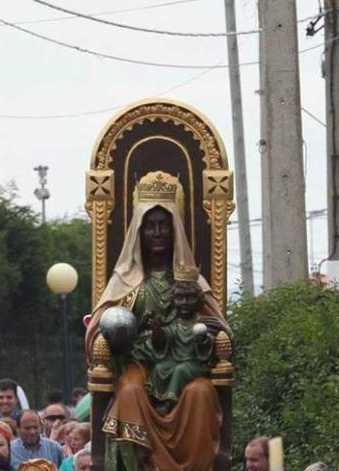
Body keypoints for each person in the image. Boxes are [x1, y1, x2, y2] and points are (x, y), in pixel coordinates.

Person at [84, 171, 229, 471]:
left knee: (201, 393)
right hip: (139, 363)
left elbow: (218, 326)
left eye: (164, 225)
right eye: (151, 226)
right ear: (140, 231)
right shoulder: (125, 281)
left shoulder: (191, 281)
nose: (158, 232)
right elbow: (99, 326)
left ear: (174, 230)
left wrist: (214, 333)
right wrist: (113, 334)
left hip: (185, 365)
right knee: (129, 392)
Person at [145, 268, 215, 415]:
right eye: (180, 298)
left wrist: (202, 340)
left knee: (180, 370)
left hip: (194, 364)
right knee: (160, 368)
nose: (185, 302)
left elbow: (208, 346)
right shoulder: (174, 323)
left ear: (198, 299)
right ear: (173, 300)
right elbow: (163, 342)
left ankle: (169, 403)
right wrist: (157, 330)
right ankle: (156, 400)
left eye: (190, 298)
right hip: (175, 361)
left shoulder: (203, 323)